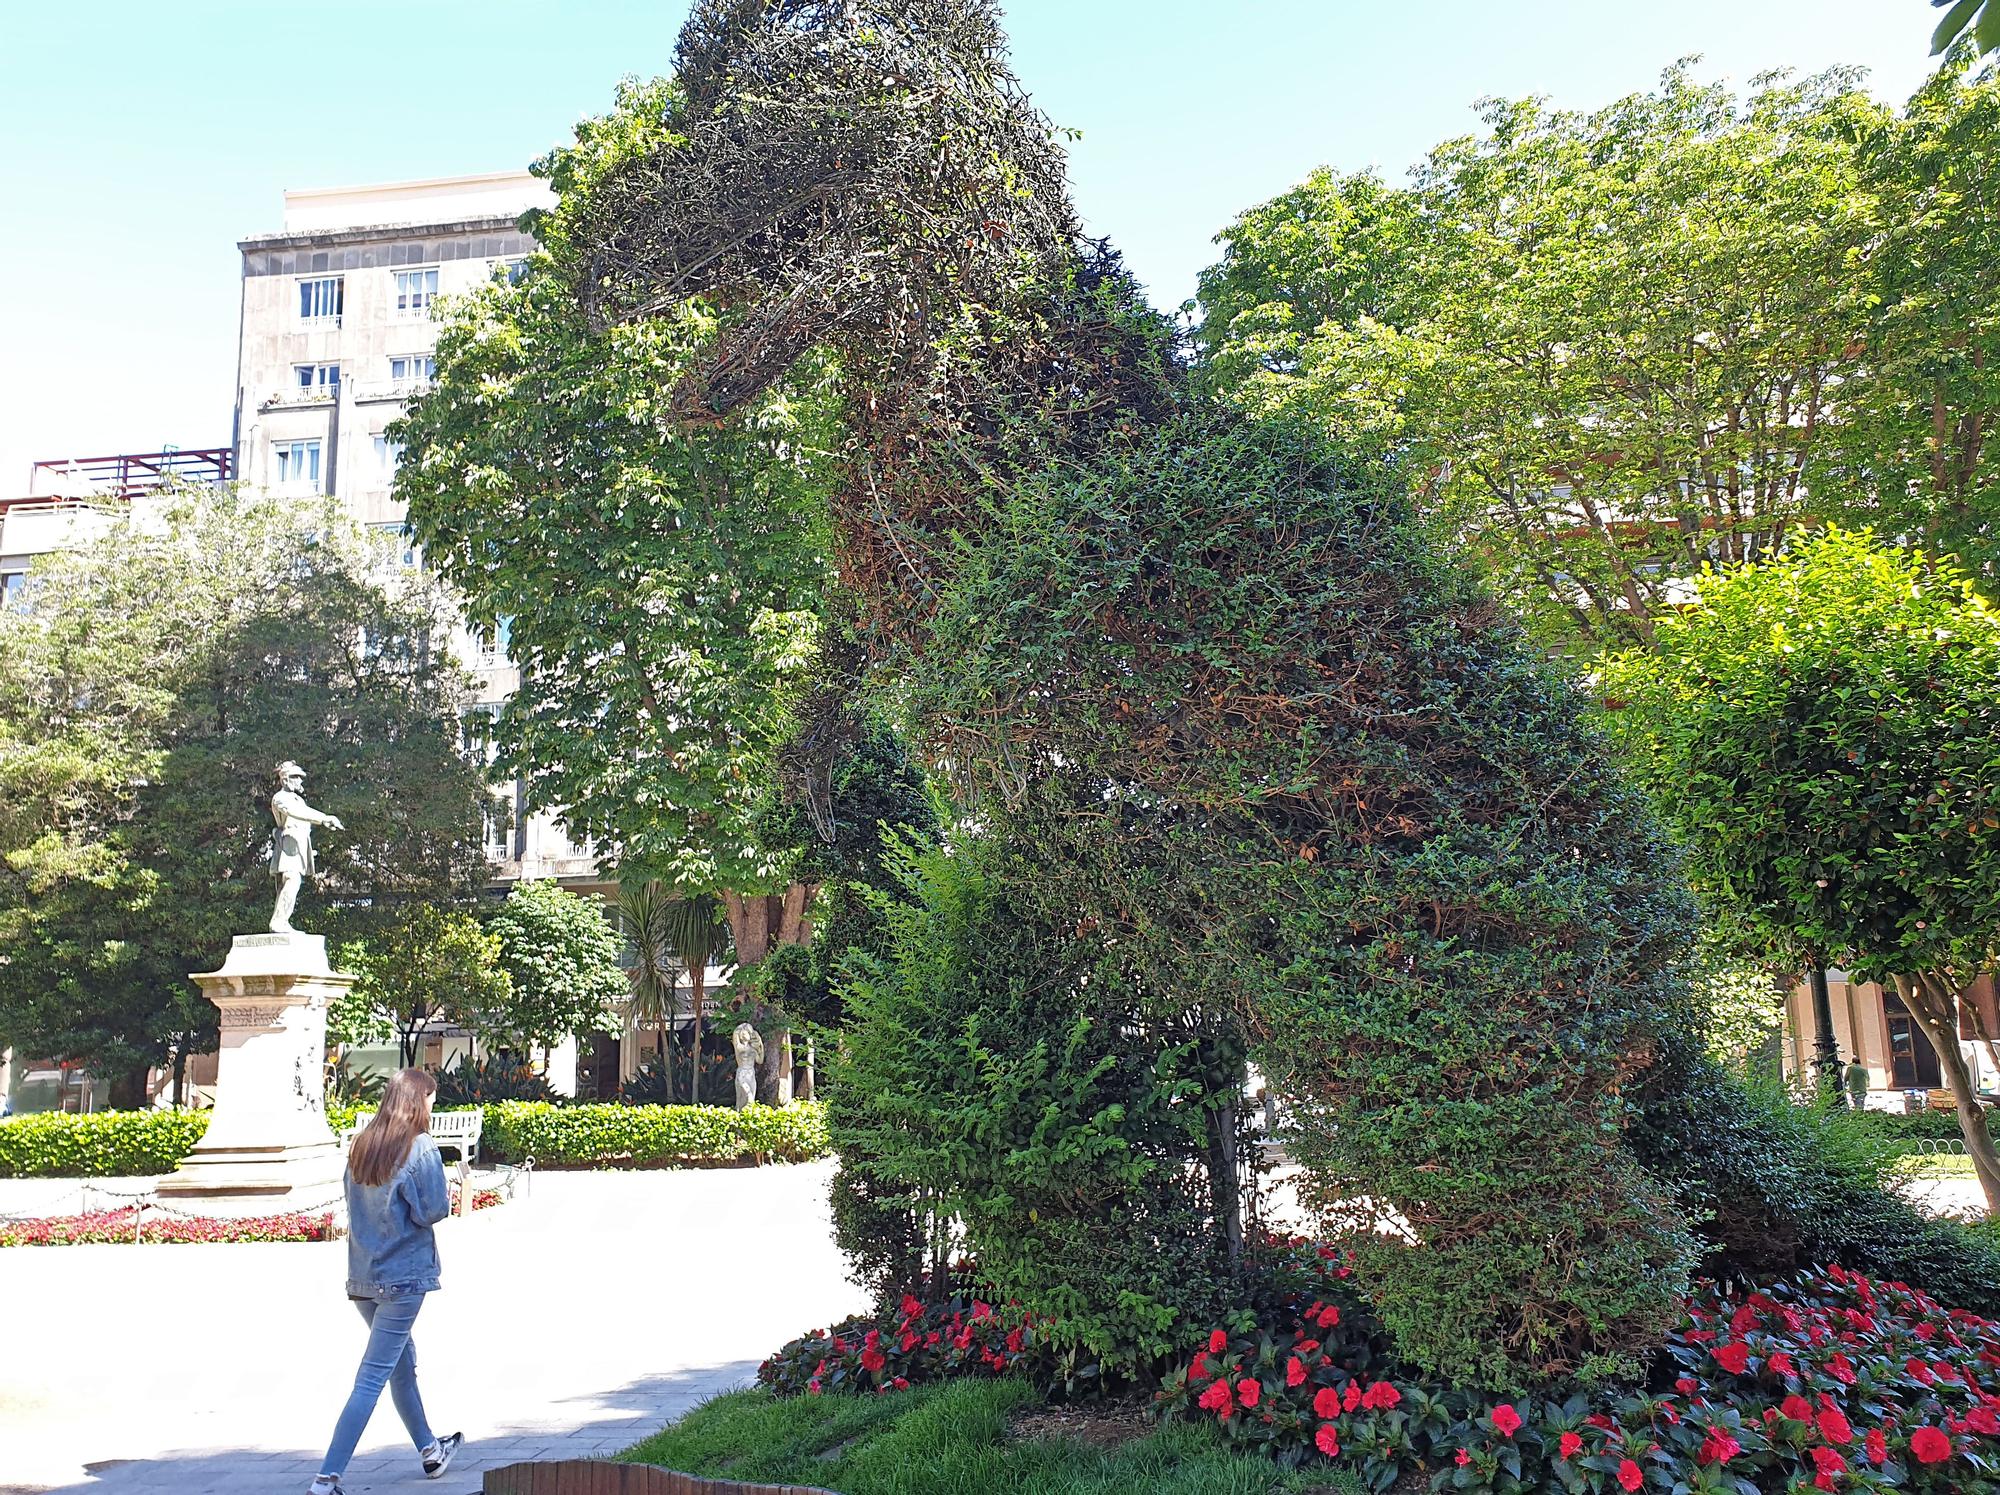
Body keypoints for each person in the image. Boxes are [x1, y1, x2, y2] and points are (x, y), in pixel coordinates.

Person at [309, 1068, 463, 1493]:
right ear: (419, 1099)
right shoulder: (420, 1147)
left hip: (362, 1277)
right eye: (431, 1098)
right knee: (373, 1378)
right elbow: (432, 1210)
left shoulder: (363, 1145)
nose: (433, 1106)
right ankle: (327, 1478)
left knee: (400, 1365)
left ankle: (431, 1451)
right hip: (404, 1278)